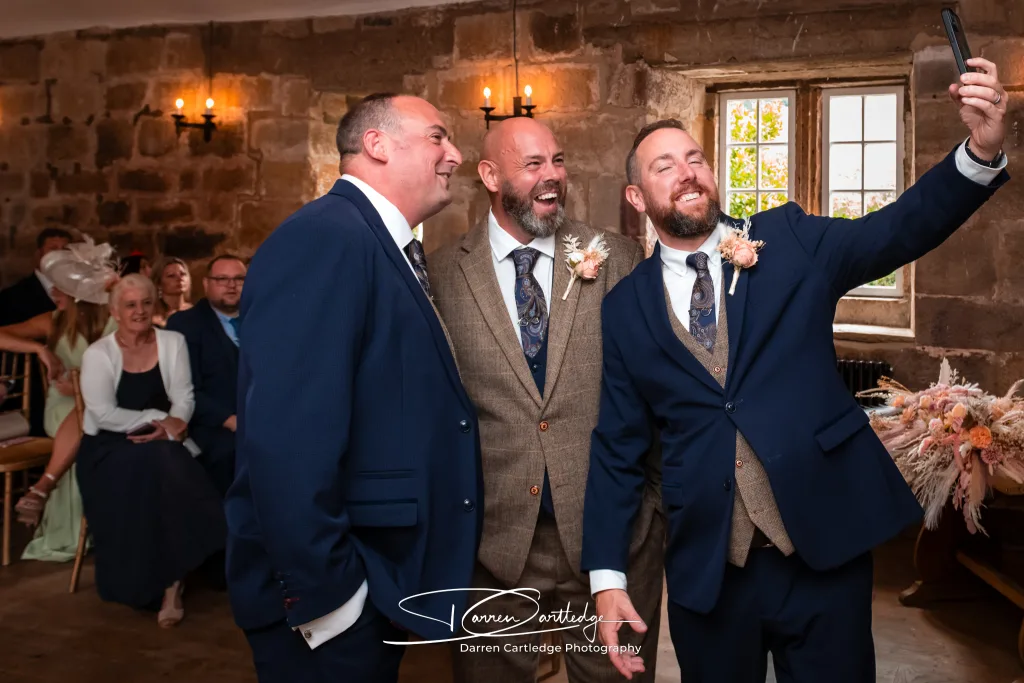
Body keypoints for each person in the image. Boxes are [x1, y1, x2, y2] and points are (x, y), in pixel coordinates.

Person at [582, 58, 1010, 682]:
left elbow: (894, 230)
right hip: (710, 572)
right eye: (664, 166)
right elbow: (617, 448)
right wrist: (607, 578)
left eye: (695, 158)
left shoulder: (788, 239)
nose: (687, 173)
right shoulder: (623, 309)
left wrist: (979, 151)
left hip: (823, 550)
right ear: (636, 195)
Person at [227, 93, 481, 683]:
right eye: (438, 138)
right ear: (377, 145)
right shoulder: (325, 238)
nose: (456, 155)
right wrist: (333, 597)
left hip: (376, 579)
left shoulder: (381, 242)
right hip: (330, 598)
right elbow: (286, 439)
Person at [431, 117, 664, 683]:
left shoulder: (617, 257)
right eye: (533, 164)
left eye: (557, 161)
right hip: (493, 545)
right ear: (489, 174)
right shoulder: (441, 274)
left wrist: (652, 503)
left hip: (613, 535)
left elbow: (655, 386)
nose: (552, 176)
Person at [77, 274, 225, 627]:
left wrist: (174, 424)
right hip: (110, 447)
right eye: (130, 305)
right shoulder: (98, 353)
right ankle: (219, 535)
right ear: (115, 312)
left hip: (165, 443)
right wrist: (161, 420)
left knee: (166, 460)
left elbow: (184, 396)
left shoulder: (172, 341)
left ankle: (172, 585)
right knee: (167, 463)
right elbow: (104, 414)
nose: (139, 311)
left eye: (146, 303)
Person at [7, 240, 118, 562]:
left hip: (103, 401)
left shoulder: (112, 320)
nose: (53, 294)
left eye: (60, 290)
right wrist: (39, 350)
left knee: (94, 410)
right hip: (62, 407)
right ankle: (46, 494)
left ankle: (43, 487)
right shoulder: (49, 321)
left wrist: (84, 384)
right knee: (89, 415)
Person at [166, 254, 246, 496]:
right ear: (206, 284)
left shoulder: (262, 320)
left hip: (262, 419)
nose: (231, 286)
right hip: (210, 425)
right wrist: (229, 419)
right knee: (234, 455)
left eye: (239, 279)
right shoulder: (185, 324)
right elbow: (183, 387)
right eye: (222, 279)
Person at [0, 227, 72, 435]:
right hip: (33, 386)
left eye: (65, 250)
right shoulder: (12, 297)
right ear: (39, 255)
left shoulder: (85, 301)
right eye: (53, 249)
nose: (59, 255)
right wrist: (38, 348)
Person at [151, 257, 192, 327]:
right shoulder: (152, 316)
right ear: (158, 284)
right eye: (171, 276)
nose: (179, 278)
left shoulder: (195, 311)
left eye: (183, 274)